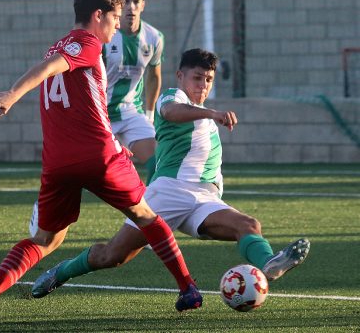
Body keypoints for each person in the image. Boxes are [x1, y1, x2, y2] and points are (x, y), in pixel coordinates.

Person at [0, 0, 201, 324]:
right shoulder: (86, 44)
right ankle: (188, 288)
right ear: (98, 15)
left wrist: (116, 142)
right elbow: (52, 68)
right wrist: (12, 94)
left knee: (46, 239)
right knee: (147, 216)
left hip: (58, 163)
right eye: (115, 17)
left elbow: (77, 100)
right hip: (97, 157)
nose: (118, 24)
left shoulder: (56, 46)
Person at [31, 48, 310, 300]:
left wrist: (207, 115)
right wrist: (211, 113)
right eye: (197, 78)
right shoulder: (174, 97)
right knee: (113, 255)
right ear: (180, 75)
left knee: (249, 225)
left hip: (203, 199)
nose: (202, 85)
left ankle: (269, 265)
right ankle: (62, 271)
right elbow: (170, 111)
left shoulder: (201, 112)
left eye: (208, 80)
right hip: (169, 192)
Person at [28, 0, 163, 237]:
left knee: (157, 156)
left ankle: (147, 218)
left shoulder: (154, 38)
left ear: (143, 4)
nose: (131, 8)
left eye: (136, 2)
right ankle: (48, 209)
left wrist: (148, 112)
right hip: (97, 116)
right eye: (127, 2)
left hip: (130, 112)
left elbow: (155, 77)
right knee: (83, 170)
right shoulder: (98, 39)